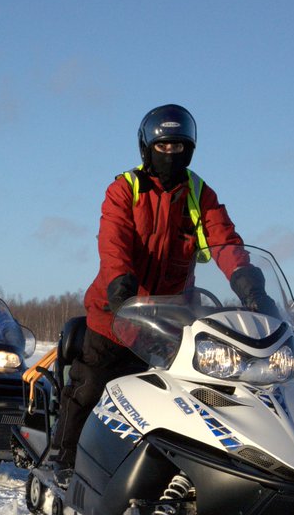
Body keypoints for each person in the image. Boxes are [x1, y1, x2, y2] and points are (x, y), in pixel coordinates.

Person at [45, 104, 272, 474]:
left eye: (178, 147)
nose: (171, 154)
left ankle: (175, 468)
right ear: (147, 147)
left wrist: (250, 286)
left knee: (184, 396)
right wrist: (121, 285)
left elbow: (225, 241)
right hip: (116, 314)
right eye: (163, 147)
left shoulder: (200, 194)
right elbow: (113, 241)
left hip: (170, 319)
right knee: (92, 386)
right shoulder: (125, 189)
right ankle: (63, 459)